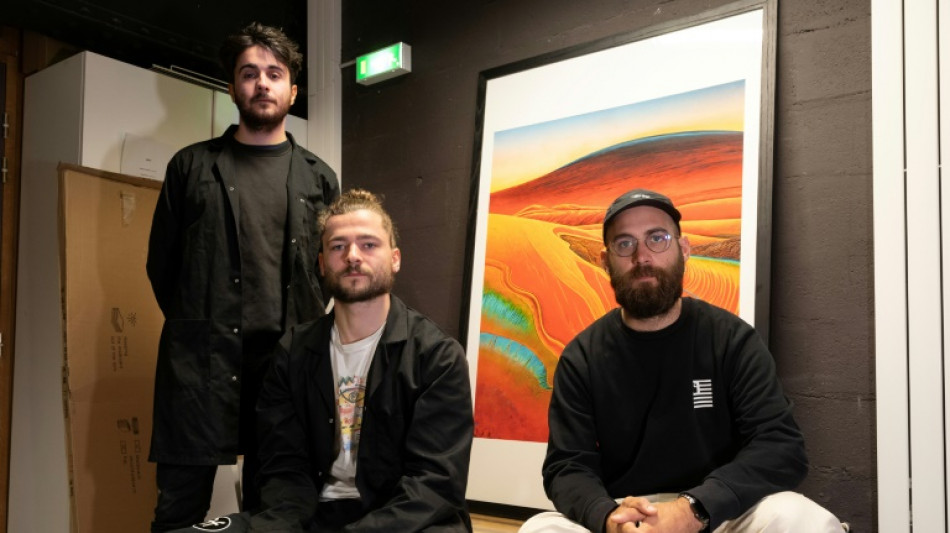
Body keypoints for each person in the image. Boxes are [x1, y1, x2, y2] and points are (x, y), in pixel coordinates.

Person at [518, 189, 844, 533]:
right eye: (625, 244)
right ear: (605, 260)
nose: (642, 256)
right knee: (539, 530)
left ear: (684, 249)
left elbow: (781, 446)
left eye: (657, 238)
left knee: (800, 517)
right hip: (627, 516)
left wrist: (693, 508)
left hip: (717, 512)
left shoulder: (732, 340)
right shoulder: (581, 357)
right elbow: (567, 467)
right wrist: (608, 518)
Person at [173, 189, 472, 533]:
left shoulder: (437, 357)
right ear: (321, 263)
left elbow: (434, 485)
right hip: (311, 514)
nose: (353, 256)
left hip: (405, 520)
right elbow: (282, 466)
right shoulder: (293, 352)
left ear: (395, 259)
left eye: (368, 244)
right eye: (338, 246)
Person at [146, 21, 339, 532]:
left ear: (292, 91)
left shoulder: (320, 177)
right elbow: (161, 265)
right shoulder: (190, 167)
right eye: (249, 73)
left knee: (273, 510)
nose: (262, 84)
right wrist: (198, 322)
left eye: (275, 74)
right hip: (200, 365)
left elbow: (327, 271)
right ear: (232, 87)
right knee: (177, 509)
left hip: (283, 367)